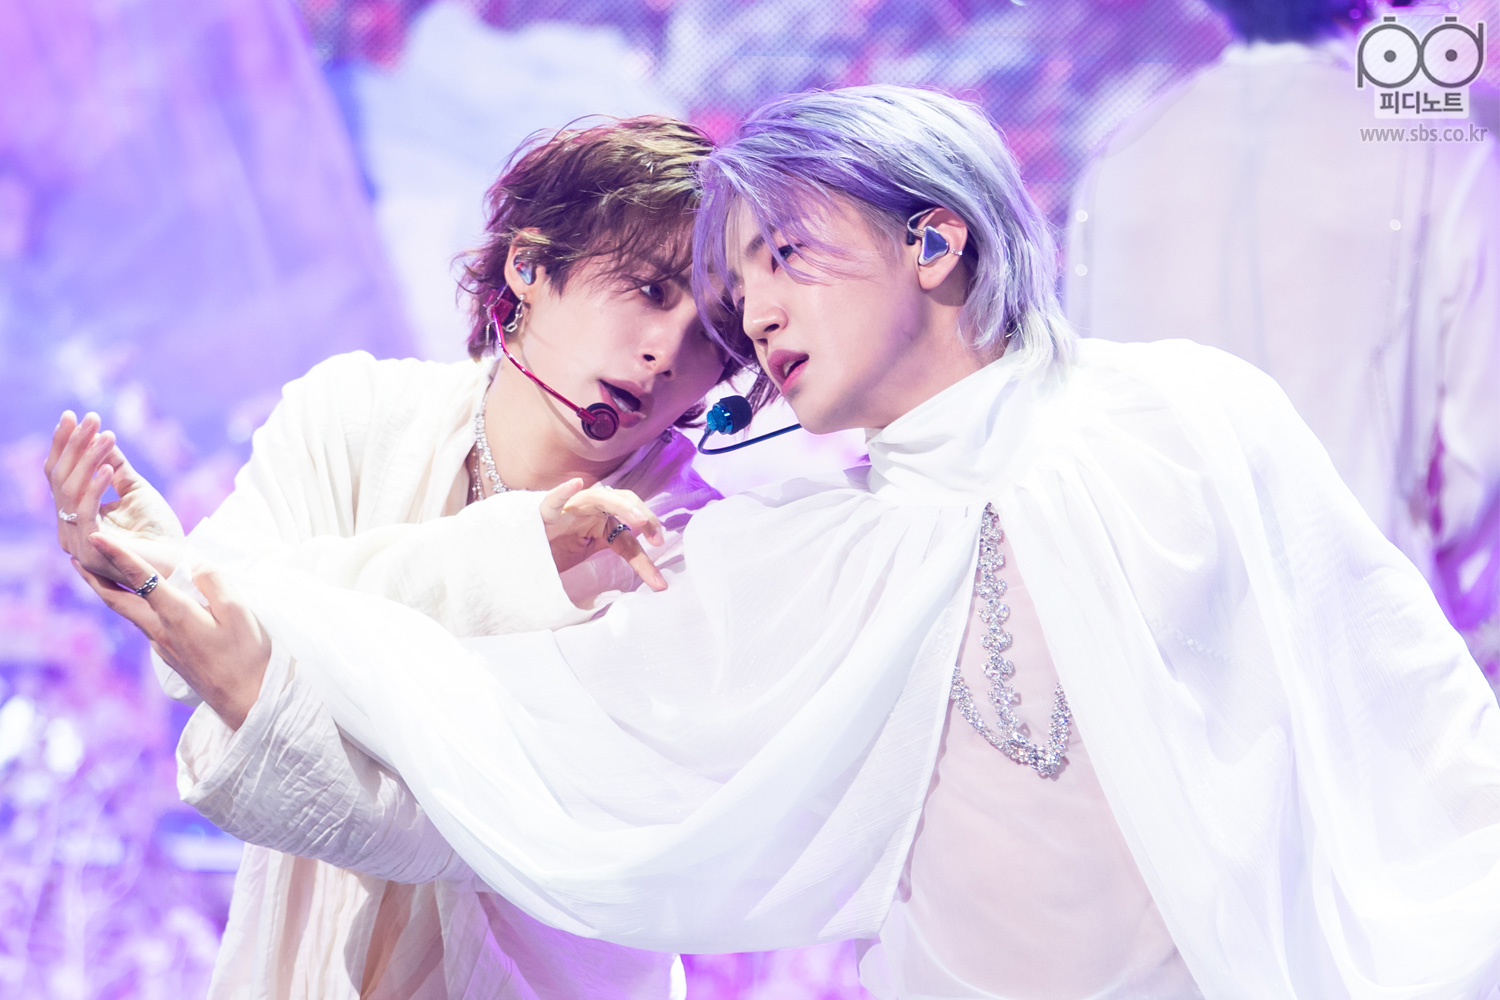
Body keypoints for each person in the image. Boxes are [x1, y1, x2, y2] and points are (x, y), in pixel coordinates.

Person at [75, 86, 1500, 999]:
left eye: (779, 261)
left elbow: (1414, 715)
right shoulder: (807, 543)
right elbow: (524, 762)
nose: (746, 318)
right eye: (725, 278)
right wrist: (249, 660)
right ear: (526, 272)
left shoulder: (1190, 416)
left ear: (934, 244)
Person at [46, 115, 766, 1000]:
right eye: (650, 290)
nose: (667, 353)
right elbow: (193, 663)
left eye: (714, 335)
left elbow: (506, 834)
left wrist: (228, 632)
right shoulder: (351, 414)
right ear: (528, 265)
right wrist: (176, 588)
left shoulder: (686, 542)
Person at [1064, 0, 1500, 666]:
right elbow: (1481, 443)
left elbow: (1093, 416)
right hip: (1373, 638)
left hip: (1175, 643)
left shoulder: (1124, 151)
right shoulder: (1444, 142)